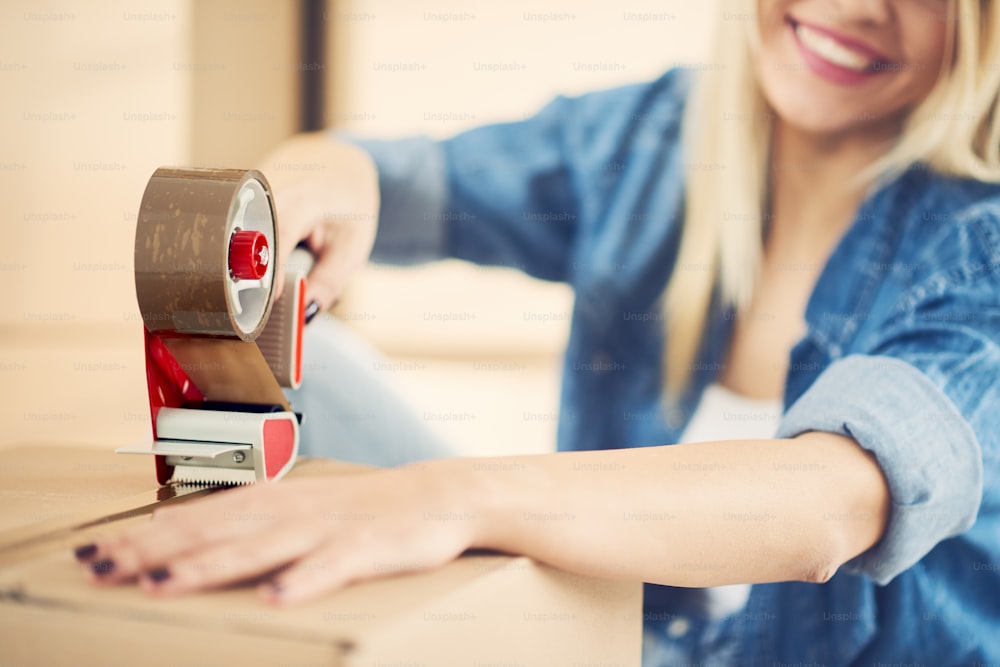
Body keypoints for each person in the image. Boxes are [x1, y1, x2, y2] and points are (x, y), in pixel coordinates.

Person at [77, 0, 1000, 663]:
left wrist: (453, 498)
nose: (859, 7)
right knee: (318, 367)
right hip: (604, 636)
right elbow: (398, 180)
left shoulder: (979, 246)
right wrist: (304, 185)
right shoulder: (656, 135)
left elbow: (830, 501)